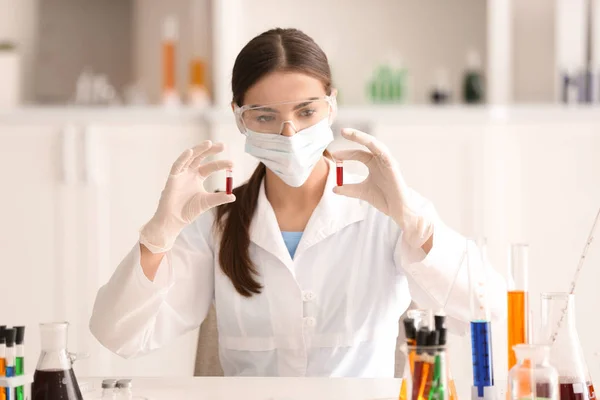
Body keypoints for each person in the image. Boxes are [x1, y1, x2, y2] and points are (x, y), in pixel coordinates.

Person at [90, 28, 506, 377]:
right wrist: (158, 236)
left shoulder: (385, 214)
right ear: (239, 116)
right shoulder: (216, 226)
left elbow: (488, 309)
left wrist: (418, 224)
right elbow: (119, 335)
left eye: (307, 112)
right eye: (266, 117)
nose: (289, 134)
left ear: (332, 105)